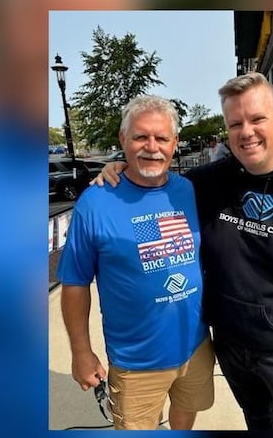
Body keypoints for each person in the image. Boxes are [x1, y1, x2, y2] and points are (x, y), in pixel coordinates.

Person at [96, 72, 273, 430]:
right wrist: (120, 169)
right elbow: (154, 180)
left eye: (257, 119)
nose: (246, 131)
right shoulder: (208, 183)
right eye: (235, 123)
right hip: (230, 346)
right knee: (257, 421)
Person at [56, 94, 215, 430]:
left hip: (196, 346)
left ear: (174, 144)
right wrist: (81, 352)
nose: (151, 147)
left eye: (161, 138)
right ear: (123, 140)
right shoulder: (95, 203)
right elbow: (74, 283)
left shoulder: (189, 189)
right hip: (136, 361)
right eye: (141, 136)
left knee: (186, 415)